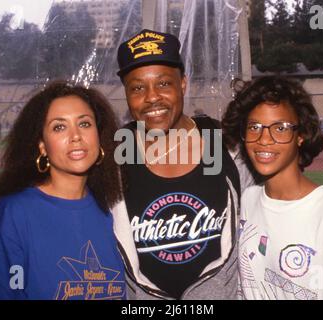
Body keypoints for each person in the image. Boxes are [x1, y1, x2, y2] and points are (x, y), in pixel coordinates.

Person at [111, 29, 254, 299]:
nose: (152, 97)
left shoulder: (220, 143)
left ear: (183, 84)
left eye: (164, 83)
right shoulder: (118, 152)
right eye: (138, 87)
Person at [222, 76, 323, 300]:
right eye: (254, 127)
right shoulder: (249, 202)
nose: (263, 139)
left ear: (300, 135)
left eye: (280, 128)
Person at [0, 81, 126, 300]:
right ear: (42, 146)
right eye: (59, 127)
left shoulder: (112, 209)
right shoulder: (14, 214)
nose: (76, 136)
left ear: (99, 135)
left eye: (85, 124)